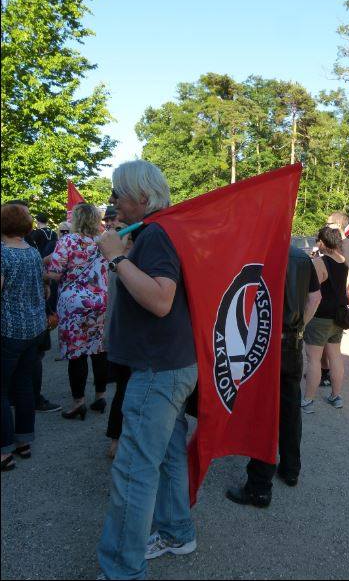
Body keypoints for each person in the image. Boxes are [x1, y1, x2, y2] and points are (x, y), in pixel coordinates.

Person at [96, 160, 197, 580]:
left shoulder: (155, 233)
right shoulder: (160, 229)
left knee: (135, 470)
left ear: (141, 196)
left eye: (118, 193)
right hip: (170, 364)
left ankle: (122, 571)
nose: (113, 201)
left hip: (159, 370)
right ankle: (176, 531)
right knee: (170, 454)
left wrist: (118, 261)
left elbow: (160, 299)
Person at [225, 245, 321, 508]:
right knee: (290, 407)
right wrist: (300, 325)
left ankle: (259, 486)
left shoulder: (260, 252)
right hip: (292, 341)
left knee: (264, 412)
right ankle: (291, 469)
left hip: (264, 343)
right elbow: (315, 298)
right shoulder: (302, 257)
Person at [46, 203, 109, 419]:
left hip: (73, 303)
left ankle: (78, 402)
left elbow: (54, 274)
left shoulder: (67, 241)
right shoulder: (103, 242)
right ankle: (100, 396)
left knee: (76, 352)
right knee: (99, 350)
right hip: (100, 300)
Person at [1, 204, 48, 471]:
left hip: (9, 330)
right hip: (33, 328)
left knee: (2, 390)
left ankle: (4, 450)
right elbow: (41, 286)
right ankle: (23, 442)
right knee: (23, 385)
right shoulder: (31, 252)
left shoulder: (2, 254)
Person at [302, 226, 349, 412]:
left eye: (318, 240)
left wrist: (304, 321)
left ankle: (308, 400)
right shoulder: (342, 260)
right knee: (335, 356)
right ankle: (336, 396)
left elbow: (312, 294)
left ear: (323, 241)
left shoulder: (321, 263)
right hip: (338, 316)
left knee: (313, 360)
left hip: (320, 317)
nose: (317, 244)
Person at [318, 212, 349, 386]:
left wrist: (340, 294)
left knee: (330, 344)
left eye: (329, 223)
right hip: (331, 299)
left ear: (338, 225)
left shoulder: (347, 245)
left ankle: (324, 373)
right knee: (327, 343)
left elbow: (347, 273)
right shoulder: (337, 244)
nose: (326, 226)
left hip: (334, 301)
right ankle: (323, 371)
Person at [104, 222, 132, 460]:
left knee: (123, 389)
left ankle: (116, 439)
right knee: (124, 390)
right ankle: (116, 439)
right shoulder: (122, 263)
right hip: (123, 337)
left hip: (120, 336)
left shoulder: (119, 262)